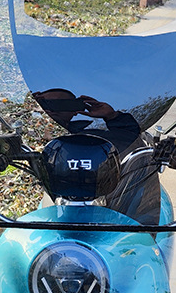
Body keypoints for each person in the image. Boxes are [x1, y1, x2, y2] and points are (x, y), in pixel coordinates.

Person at [32, 88, 160, 224]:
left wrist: (113, 116)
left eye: (61, 104)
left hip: (105, 205)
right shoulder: (30, 132)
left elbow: (129, 138)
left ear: (75, 109)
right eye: (45, 103)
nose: (51, 109)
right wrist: (29, 107)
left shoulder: (90, 135)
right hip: (56, 204)